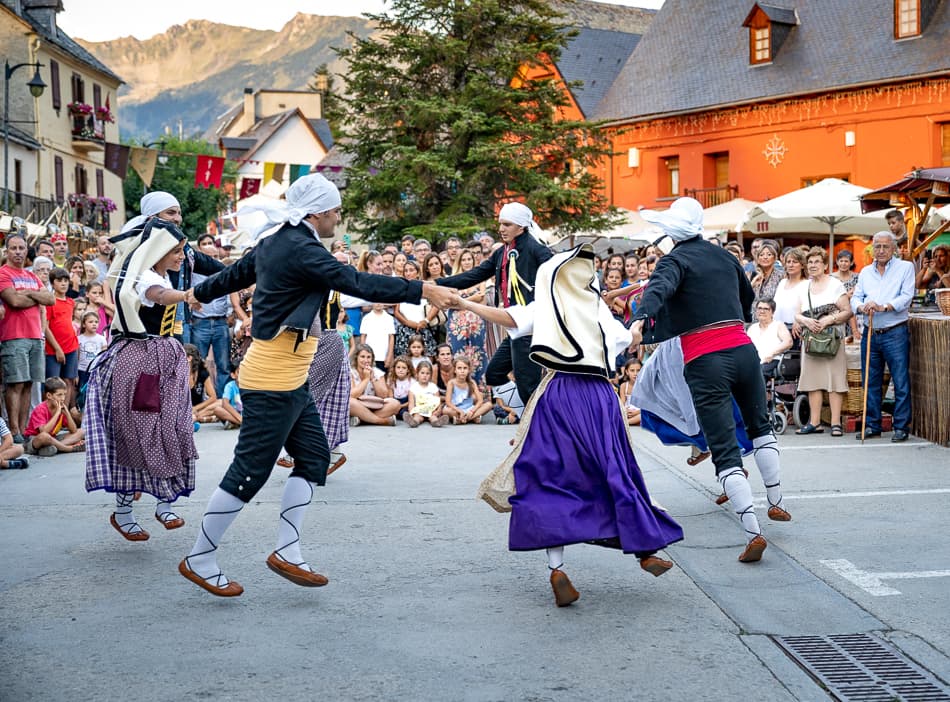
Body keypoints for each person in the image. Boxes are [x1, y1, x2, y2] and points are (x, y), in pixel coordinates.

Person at [180, 173, 454, 596]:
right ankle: (200, 556)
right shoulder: (302, 248)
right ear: (318, 212)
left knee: (313, 459)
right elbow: (358, 283)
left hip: (290, 375)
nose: (338, 218)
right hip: (272, 376)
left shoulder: (277, 241)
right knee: (249, 473)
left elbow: (233, 275)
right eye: (336, 212)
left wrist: (198, 294)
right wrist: (422, 289)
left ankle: (287, 550)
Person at [453, 244, 683, 606]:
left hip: (558, 395)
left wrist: (465, 304)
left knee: (550, 477)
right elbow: (628, 340)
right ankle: (646, 551)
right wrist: (637, 324)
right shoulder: (596, 310)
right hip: (599, 399)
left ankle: (557, 568)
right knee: (615, 470)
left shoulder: (545, 306)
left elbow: (508, 318)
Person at [631, 197, 791, 564]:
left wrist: (641, 321)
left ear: (672, 232)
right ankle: (777, 500)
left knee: (723, 446)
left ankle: (753, 531)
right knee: (760, 426)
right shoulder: (725, 256)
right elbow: (747, 297)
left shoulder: (673, 260)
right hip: (743, 349)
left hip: (706, 358)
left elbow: (658, 291)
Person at [84, 216, 197, 542]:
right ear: (157, 251)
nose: (180, 257)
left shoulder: (161, 273)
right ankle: (124, 511)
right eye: (175, 251)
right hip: (139, 361)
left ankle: (164, 502)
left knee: (173, 428)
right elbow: (158, 295)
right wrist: (186, 295)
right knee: (138, 432)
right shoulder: (143, 276)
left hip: (166, 358)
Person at [438, 202, 553, 404]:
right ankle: (527, 419)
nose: (501, 229)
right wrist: (436, 284)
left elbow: (558, 273)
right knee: (494, 374)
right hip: (513, 327)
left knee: (529, 388)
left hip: (529, 328)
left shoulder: (536, 249)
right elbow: (474, 275)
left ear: (521, 226)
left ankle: (539, 428)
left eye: (507, 224)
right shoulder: (502, 252)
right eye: (500, 224)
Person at [851, 231, 915, 442]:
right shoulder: (865, 272)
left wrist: (884, 306)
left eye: (885, 247)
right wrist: (861, 306)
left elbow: (906, 297)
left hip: (894, 330)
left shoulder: (905, 268)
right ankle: (872, 424)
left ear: (894, 248)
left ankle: (901, 426)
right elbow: (856, 296)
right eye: (877, 246)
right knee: (870, 379)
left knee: (900, 380)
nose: (880, 251)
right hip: (871, 330)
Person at [1, 234, 55, 443]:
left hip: (35, 335)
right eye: (13, 248)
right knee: (15, 383)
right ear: (7, 251)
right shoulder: (3, 273)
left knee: (29, 384)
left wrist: (28, 293)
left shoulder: (31, 275)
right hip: (14, 336)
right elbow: (13, 300)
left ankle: (23, 430)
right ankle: (13, 430)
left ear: (26, 250)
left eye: (21, 248)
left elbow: (49, 299)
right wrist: (34, 295)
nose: (18, 252)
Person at [793, 247, 852, 437]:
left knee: (835, 380)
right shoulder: (803, 286)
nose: (812, 265)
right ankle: (815, 422)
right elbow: (797, 313)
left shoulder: (835, 285)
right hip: (811, 338)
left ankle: (836, 423)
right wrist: (805, 320)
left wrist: (828, 320)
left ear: (825, 265)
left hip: (832, 338)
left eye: (817, 262)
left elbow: (847, 311)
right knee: (813, 381)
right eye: (810, 262)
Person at [190, 234, 232, 397]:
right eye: (210, 257)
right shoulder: (194, 274)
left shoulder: (223, 272)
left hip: (221, 321)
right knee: (198, 364)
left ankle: (223, 401)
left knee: (224, 365)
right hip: (201, 322)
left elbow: (230, 293)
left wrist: (229, 313)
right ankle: (199, 400)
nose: (214, 260)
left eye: (216, 256)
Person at [445, 249, 488, 384]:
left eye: (469, 259)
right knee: (459, 354)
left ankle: (481, 392)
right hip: (457, 324)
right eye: (463, 260)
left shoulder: (480, 278)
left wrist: (462, 301)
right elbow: (450, 303)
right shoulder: (454, 280)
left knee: (479, 355)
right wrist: (472, 298)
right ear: (459, 262)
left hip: (476, 322)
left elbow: (483, 300)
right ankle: (460, 390)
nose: (467, 262)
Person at [43, 267, 80, 410]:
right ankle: (52, 414)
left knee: (68, 381)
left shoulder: (71, 302)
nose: (63, 284)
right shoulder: (50, 302)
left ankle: (64, 416)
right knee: (53, 384)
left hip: (71, 346)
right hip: (53, 350)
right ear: (52, 283)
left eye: (66, 281)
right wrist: (58, 348)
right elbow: (45, 327)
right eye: (59, 281)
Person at [23, 376, 85, 456]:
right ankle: (67, 448)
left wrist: (67, 414)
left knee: (81, 431)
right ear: (49, 395)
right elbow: (44, 431)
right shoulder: (40, 409)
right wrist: (57, 413)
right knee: (44, 436)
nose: (63, 398)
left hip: (52, 439)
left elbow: (73, 431)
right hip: (35, 440)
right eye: (59, 395)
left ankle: (55, 447)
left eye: (64, 395)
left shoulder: (61, 408)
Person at [349, 343, 401, 425]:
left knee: (395, 404)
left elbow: (384, 396)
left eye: (368, 357)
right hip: (357, 406)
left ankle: (362, 419)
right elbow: (352, 395)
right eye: (362, 357)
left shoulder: (377, 372)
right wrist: (366, 379)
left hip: (374, 406)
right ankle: (381, 421)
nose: (366, 360)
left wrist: (373, 378)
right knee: (349, 402)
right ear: (356, 358)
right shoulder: (350, 372)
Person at [748, 299, 793, 379]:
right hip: (755, 362)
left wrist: (772, 354)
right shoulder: (752, 328)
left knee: (757, 373)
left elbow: (788, 342)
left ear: (772, 312)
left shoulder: (778, 325)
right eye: (759, 308)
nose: (762, 311)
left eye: (766, 309)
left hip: (774, 360)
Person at [443, 355, 492, 424]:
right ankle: (472, 418)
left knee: (489, 405)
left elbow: (480, 400)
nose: (462, 371)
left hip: (469, 409)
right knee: (445, 411)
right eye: (459, 368)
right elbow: (448, 402)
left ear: (469, 370)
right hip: (456, 409)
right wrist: (459, 411)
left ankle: (463, 419)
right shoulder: (451, 383)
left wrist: (472, 411)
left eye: (465, 368)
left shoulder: (472, 382)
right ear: (455, 370)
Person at [831, 249, 861, 342]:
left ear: (851, 263)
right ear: (837, 262)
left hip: (855, 316)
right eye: (841, 261)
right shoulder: (831, 278)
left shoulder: (858, 277)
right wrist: (846, 296)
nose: (843, 263)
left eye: (846, 261)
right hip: (837, 314)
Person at [405, 360, 447, 427]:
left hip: (431, 410)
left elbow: (438, 401)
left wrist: (438, 411)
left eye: (427, 373)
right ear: (417, 373)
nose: (425, 376)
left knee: (433, 416)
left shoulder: (433, 387)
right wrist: (412, 412)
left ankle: (436, 422)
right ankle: (414, 422)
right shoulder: (413, 387)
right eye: (422, 373)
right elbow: (411, 404)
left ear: (430, 375)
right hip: (419, 409)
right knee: (417, 416)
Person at [360, 303, 395, 371]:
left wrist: (389, 356)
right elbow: (363, 337)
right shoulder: (366, 318)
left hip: (383, 355)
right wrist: (364, 354)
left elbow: (391, 337)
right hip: (370, 356)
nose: (378, 304)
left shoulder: (389, 318)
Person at [76, 311, 107, 391]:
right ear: (83, 324)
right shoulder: (79, 339)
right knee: (82, 391)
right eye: (90, 322)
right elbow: (76, 358)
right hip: (82, 371)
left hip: (96, 371)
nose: (94, 324)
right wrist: (76, 374)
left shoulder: (102, 339)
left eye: (96, 322)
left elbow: (104, 357)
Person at [214, 363, 243, 429]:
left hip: (247, 414)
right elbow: (225, 404)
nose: (242, 375)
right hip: (233, 413)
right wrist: (240, 418)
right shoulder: (230, 386)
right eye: (239, 372)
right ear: (233, 375)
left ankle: (235, 423)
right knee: (217, 410)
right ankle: (241, 423)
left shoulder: (249, 385)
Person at [617, 357, 642, 426]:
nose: (635, 373)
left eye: (638, 370)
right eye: (632, 370)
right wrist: (625, 410)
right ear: (627, 372)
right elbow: (622, 402)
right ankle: (631, 421)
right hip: (628, 412)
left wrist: (636, 412)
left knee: (646, 415)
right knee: (617, 412)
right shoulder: (624, 386)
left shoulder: (644, 386)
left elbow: (648, 407)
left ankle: (625, 423)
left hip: (639, 412)